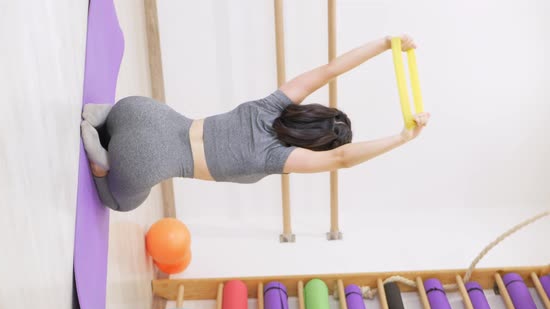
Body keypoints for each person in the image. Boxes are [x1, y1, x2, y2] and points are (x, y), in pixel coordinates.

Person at [81, 35, 430, 211]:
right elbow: (343, 158)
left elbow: (329, 70)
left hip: (145, 111)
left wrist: (387, 43)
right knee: (122, 203)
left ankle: (105, 116)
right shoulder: (280, 157)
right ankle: (101, 165)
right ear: (318, 147)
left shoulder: (272, 105)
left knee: (128, 113)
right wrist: (402, 138)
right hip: (143, 160)